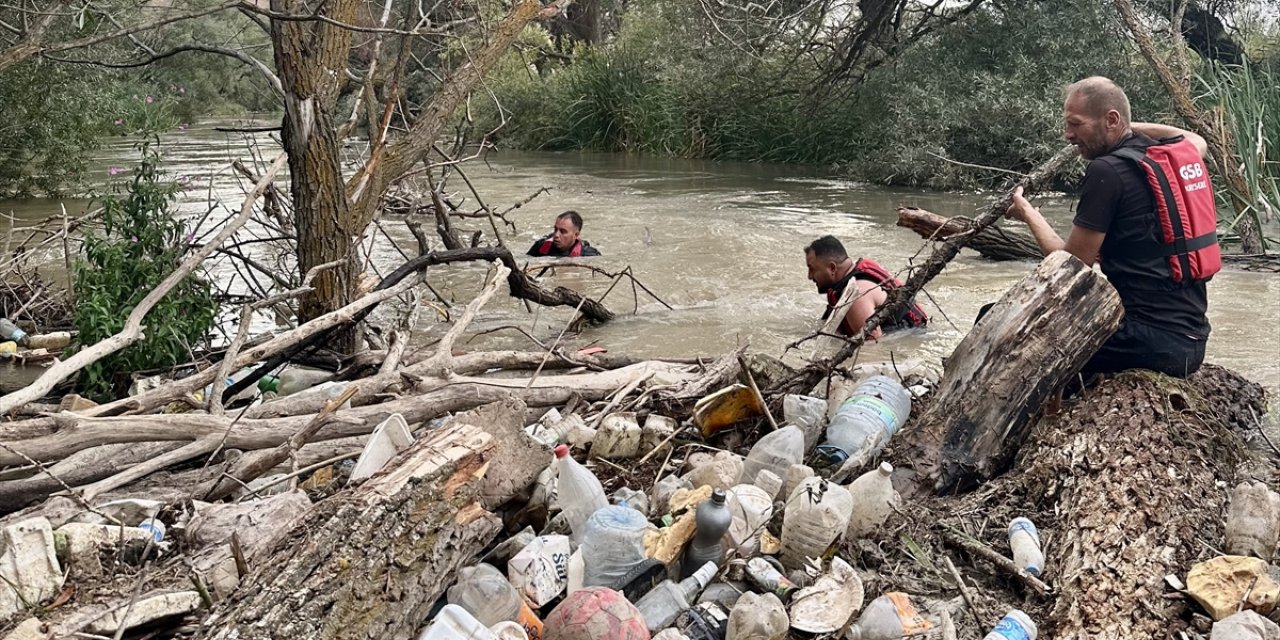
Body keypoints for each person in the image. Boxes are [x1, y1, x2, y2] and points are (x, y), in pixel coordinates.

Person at [1005, 76, 1220, 377]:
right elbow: (1196, 139)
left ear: (1111, 120)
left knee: (1000, 324)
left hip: (1145, 342)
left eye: (1076, 124)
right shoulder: (1169, 158)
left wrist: (1028, 213)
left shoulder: (1107, 171)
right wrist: (1127, 127)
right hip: (1190, 341)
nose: (1067, 135)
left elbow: (1071, 267)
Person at [804, 235, 928, 338]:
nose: (809, 276)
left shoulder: (857, 295)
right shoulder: (849, 279)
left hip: (911, 337)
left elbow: (872, 348)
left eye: (812, 269)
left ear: (832, 268)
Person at [527, 211, 601, 257]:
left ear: (576, 235)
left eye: (563, 232)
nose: (556, 235)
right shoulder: (540, 246)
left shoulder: (589, 255)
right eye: (555, 229)